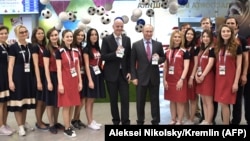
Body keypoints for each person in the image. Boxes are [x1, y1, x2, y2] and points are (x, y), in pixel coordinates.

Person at [131, 24, 165, 125]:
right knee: (140, 101)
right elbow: (132, 63)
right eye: (147, 31)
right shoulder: (136, 45)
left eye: (150, 31)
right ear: (143, 32)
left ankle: (156, 120)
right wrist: (134, 77)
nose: (149, 33)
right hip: (141, 78)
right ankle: (140, 121)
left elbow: (163, 58)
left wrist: (159, 59)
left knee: (155, 101)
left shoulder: (158, 44)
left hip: (154, 77)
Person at [101, 17, 131, 125]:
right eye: (117, 26)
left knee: (125, 99)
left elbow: (129, 58)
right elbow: (103, 56)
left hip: (123, 74)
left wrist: (129, 72)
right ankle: (116, 121)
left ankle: (126, 121)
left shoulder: (127, 39)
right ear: (113, 27)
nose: (119, 28)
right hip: (111, 75)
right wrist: (115, 53)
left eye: (121, 26)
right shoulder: (106, 40)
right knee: (113, 100)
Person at [8, 25, 36, 136]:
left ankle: (23, 123)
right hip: (17, 78)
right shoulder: (13, 47)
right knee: (18, 103)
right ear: (16, 34)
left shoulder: (30, 46)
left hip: (28, 78)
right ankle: (20, 127)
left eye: (25, 32)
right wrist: (10, 80)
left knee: (24, 103)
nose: (24, 34)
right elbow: (10, 66)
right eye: (21, 32)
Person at [214, 24, 242, 125]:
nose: (226, 33)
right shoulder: (218, 46)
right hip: (219, 79)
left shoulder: (237, 46)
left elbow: (239, 66)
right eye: (223, 31)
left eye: (228, 31)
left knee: (225, 103)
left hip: (230, 80)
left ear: (232, 33)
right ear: (220, 34)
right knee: (222, 103)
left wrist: (235, 82)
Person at [55, 29, 82, 137]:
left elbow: (78, 67)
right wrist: (60, 84)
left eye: (71, 36)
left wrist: (80, 82)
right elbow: (58, 69)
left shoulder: (76, 50)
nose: (69, 38)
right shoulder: (59, 51)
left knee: (72, 105)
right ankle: (66, 129)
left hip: (74, 81)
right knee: (66, 105)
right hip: (65, 80)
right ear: (63, 38)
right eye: (67, 37)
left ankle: (69, 124)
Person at [225, 17, 249, 125]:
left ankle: (235, 123)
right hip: (224, 77)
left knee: (237, 101)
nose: (230, 24)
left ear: (236, 26)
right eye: (228, 23)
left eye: (232, 23)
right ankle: (226, 122)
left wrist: (244, 74)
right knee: (225, 100)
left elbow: (246, 58)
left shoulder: (242, 40)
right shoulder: (222, 40)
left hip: (238, 76)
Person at [163, 30, 189, 125]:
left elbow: (186, 67)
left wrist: (181, 79)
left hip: (179, 79)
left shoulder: (184, 52)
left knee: (180, 101)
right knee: (172, 100)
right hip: (169, 80)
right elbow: (165, 67)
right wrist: (164, 80)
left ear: (181, 39)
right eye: (175, 37)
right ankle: (173, 119)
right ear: (172, 38)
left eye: (179, 37)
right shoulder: (167, 51)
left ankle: (179, 120)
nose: (177, 39)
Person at [83, 28, 106, 130]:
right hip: (91, 75)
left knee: (92, 100)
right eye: (92, 34)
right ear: (88, 37)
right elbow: (87, 65)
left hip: (98, 74)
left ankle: (91, 120)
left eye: (95, 34)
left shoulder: (97, 48)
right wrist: (90, 80)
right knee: (89, 100)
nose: (94, 36)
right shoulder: (86, 49)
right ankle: (89, 122)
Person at [43, 27, 64, 134]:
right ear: (49, 37)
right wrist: (49, 82)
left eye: (56, 35)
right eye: (52, 35)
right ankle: (51, 124)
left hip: (59, 77)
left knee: (57, 102)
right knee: (50, 102)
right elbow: (46, 67)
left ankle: (56, 122)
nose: (54, 37)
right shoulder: (47, 50)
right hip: (51, 76)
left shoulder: (61, 48)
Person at [195, 29, 215, 125]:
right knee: (203, 100)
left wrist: (203, 75)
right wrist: (196, 75)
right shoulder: (201, 49)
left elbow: (210, 63)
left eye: (208, 36)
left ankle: (209, 121)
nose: (205, 38)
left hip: (208, 77)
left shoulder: (212, 49)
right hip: (200, 77)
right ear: (201, 38)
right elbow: (198, 64)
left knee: (208, 101)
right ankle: (205, 119)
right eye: (204, 36)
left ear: (211, 38)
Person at [31, 27, 49, 130]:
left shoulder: (44, 46)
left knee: (44, 101)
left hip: (45, 74)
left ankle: (40, 120)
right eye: (38, 33)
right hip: (39, 75)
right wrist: (38, 81)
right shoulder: (35, 47)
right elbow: (36, 64)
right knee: (40, 101)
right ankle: (38, 122)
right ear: (35, 35)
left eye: (42, 33)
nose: (41, 35)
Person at [71, 29, 86, 129]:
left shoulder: (81, 47)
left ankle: (77, 118)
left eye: (82, 35)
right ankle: (74, 119)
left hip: (83, 74)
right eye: (79, 35)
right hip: (75, 75)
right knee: (77, 98)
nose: (80, 37)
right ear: (75, 36)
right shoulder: (72, 47)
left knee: (82, 98)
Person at [0, 25, 14, 135]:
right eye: (1, 33)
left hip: (6, 78)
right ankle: (0, 126)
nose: (4, 35)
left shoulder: (7, 46)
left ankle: (4, 123)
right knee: (1, 104)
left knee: (6, 103)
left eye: (5, 33)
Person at [183, 27, 199, 125]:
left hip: (191, 74)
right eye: (188, 34)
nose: (189, 36)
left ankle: (192, 119)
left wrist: (192, 77)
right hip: (183, 74)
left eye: (191, 34)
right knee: (184, 97)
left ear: (194, 37)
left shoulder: (196, 48)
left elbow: (196, 64)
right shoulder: (182, 47)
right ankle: (187, 117)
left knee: (193, 97)